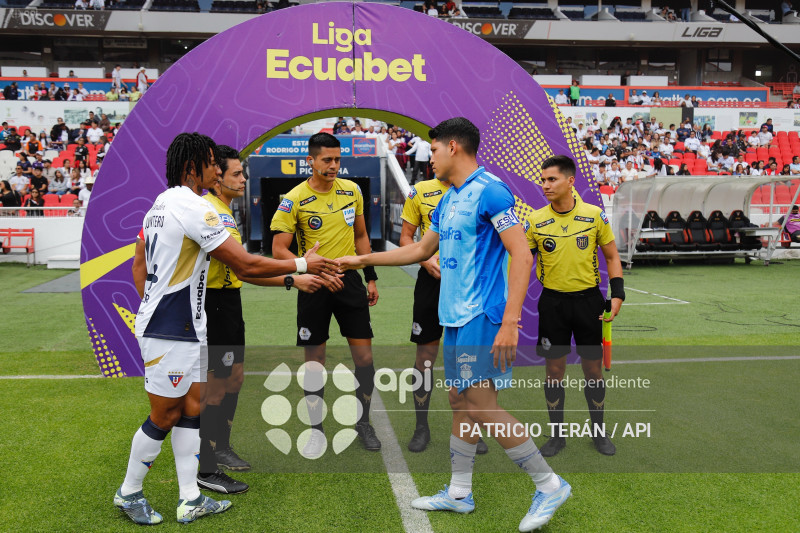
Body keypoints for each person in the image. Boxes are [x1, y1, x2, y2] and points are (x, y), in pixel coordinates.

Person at [339, 118, 571, 532]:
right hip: (455, 320)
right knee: (461, 402)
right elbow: (420, 250)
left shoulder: (491, 191)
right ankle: (459, 493)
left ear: (453, 147)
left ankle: (549, 484)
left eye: (433, 150)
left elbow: (522, 255)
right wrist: (359, 260)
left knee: (483, 406)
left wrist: (511, 321)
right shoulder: (447, 199)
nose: (429, 158)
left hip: (482, 316)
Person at [115, 132, 334, 525]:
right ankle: (129, 493)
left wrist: (149, 305)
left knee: (192, 410)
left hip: (183, 324)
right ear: (191, 165)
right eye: (212, 162)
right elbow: (245, 266)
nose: (217, 169)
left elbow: (138, 263)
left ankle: (190, 498)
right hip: (171, 328)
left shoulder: (160, 204)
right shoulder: (194, 207)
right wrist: (301, 266)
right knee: (164, 415)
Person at [197, 145, 330, 494]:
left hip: (229, 303)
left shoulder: (225, 212)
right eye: (236, 174)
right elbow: (248, 265)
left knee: (235, 377)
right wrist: (298, 267)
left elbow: (244, 269)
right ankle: (205, 463)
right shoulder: (210, 211)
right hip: (213, 306)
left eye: (243, 173)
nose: (243, 179)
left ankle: (220, 447)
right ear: (216, 180)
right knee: (215, 385)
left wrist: (292, 278)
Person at [270, 132, 382, 458]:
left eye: (337, 160)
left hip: (349, 283)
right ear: (311, 161)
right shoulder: (293, 199)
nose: (334, 166)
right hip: (315, 286)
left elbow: (361, 236)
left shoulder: (353, 191)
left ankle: (363, 422)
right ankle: (315, 428)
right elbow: (279, 250)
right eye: (327, 160)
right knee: (314, 362)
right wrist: (310, 270)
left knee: (364, 358)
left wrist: (370, 277)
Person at [524, 155, 624, 458]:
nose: (545, 185)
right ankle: (557, 436)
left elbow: (612, 257)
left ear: (570, 181)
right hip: (552, 304)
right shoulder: (535, 220)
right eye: (543, 180)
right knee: (553, 371)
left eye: (552, 179)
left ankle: (598, 433)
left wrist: (616, 294)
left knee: (593, 369)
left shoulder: (594, 215)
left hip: (589, 303)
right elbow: (522, 262)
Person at [399, 173, 490, 454]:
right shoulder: (420, 192)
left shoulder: (481, 190)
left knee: (468, 357)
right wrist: (425, 261)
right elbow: (405, 238)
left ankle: (471, 425)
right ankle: (421, 428)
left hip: (467, 284)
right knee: (425, 358)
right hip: (431, 284)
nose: (435, 159)